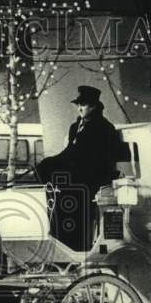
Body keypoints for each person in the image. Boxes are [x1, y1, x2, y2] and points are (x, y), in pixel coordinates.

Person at [36, 86, 128, 249]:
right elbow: (69, 152)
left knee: (68, 194)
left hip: (94, 177)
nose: (79, 108)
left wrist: (60, 164)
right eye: (78, 104)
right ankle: (59, 238)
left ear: (93, 106)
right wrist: (48, 163)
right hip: (78, 174)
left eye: (83, 105)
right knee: (51, 178)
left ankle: (73, 243)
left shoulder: (104, 128)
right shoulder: (75, 126)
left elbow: (97, 158)